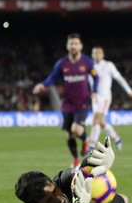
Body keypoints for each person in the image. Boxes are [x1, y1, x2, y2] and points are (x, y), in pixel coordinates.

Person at [33, 33, 99, 168]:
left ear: (81, 46)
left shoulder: (87, 61)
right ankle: (75, 159)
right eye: (71, 44)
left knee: (75, 129)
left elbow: (96, 77)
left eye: (76, 43)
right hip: (67, 103)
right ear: (67, 46)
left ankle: (86, 140)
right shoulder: (62, 63)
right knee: (69, 134)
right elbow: (52, 77)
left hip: (82, 102)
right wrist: (42, 85)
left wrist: (95, 91)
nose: (73, 46)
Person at [87, 46, 132, 151]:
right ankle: (117, 139)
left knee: (96, 118)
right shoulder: (90, 66)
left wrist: (129, 91)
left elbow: (119, 78)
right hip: (95, 97)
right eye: (94, 53)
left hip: (105, 96)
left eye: (99, 53)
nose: (97, 55)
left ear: (103, 54)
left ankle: (91, 145)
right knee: (101, 121)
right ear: (92, 55)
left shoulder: (108, 65)